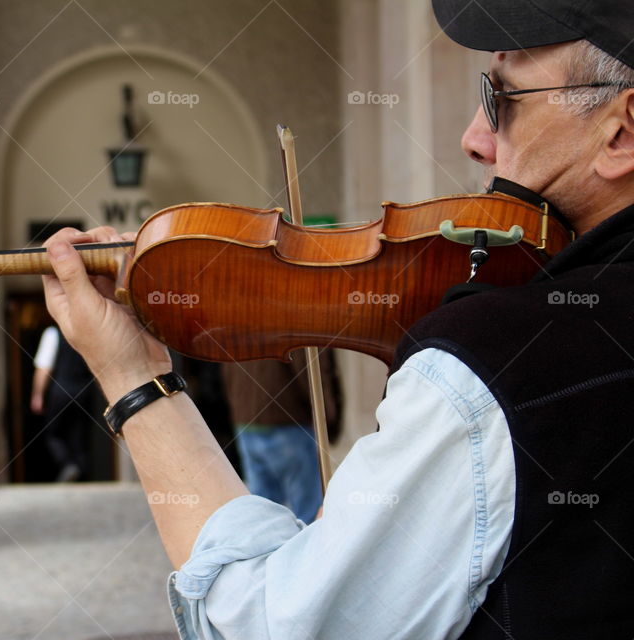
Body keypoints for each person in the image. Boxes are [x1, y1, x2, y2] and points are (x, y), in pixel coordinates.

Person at [39, 2, 634, 637]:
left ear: (622, 133)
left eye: (502, 97)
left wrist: (134, 375)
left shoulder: (494, 369)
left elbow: (272, 625)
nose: (474, 138)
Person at [221, 354, 341, 524]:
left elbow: (226, 369)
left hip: (247, 420)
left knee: (263, 517)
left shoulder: (237, 328)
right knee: (308, 515)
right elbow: (312, 371)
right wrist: (328, 420)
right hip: (288, 420)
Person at [30, 325, 97, 482]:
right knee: (79, 436)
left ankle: (68, 465)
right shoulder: (85, 333)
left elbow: (44, 367)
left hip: (60, 392)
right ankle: (81, 474)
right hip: (84, 392)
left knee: (53, 433)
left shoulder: (53, 333)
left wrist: (37, 394)